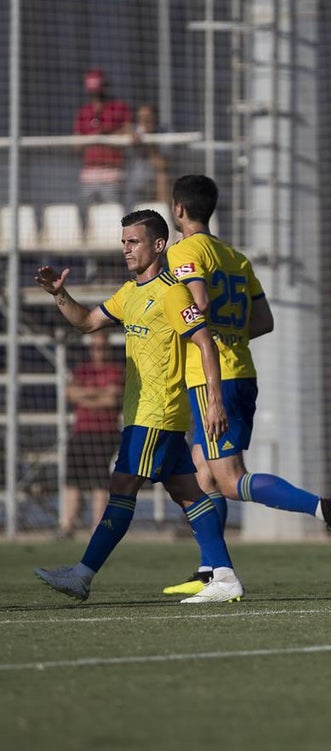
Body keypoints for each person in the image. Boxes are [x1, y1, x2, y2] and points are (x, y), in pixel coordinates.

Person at [33, 209, 243, 604]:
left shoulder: (172, 291)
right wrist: (59, 294)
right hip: (145, 414)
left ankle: (82, 574)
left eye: (134, 242)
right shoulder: (131, 293)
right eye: (124, 242)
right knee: (189, 494)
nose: (126, 249)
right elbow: (87, 321)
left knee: (122, 486)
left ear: (159, 245)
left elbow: (205, 341)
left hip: (156, 412)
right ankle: (225, 574)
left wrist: (214, 399)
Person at [162, 174, 331, 597]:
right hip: (240, 371)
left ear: (178, 209)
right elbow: (264, 320)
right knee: (202, 475)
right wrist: (229, 336)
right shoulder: (235, 257)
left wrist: (191, 334)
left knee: (230, 481)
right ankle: (212, 569)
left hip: (213, 379)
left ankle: (324, 508)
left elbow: (198, 303)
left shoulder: (184, 250)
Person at [59, 332, 123, 538]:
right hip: (81, 431)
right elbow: (70, 393)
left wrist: (85, 395)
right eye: (95, 347)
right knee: (72, 479)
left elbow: (112, 400)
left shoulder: (115, 370)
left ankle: (97, 527)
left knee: (99, 481)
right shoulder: (83, 370)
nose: (98, 351)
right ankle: (67, 526)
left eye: (101, 347)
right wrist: (98, 394)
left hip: (104, 432)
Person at [72, 68, 132, 213]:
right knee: (87, 213)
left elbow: (128, 131)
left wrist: (107, 134)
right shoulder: (84, 112)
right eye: (93, 92)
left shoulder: (118, 107)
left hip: (112, 170)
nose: (96, 96)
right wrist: (91, 138)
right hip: (89, 172)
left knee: (114, 212)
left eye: (98, 91)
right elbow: (76, 143)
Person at [123, 103, 171, 207]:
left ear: (155, 118)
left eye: (148, 118)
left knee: (162, 178)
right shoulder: (133, 131)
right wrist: (128, 131)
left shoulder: (163, 133)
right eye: (141, 118)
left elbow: (161, 165)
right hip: (133, 183)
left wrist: (148, 141)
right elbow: (120, 130)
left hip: (154, 183)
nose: (144, 122)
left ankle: (163, 216)